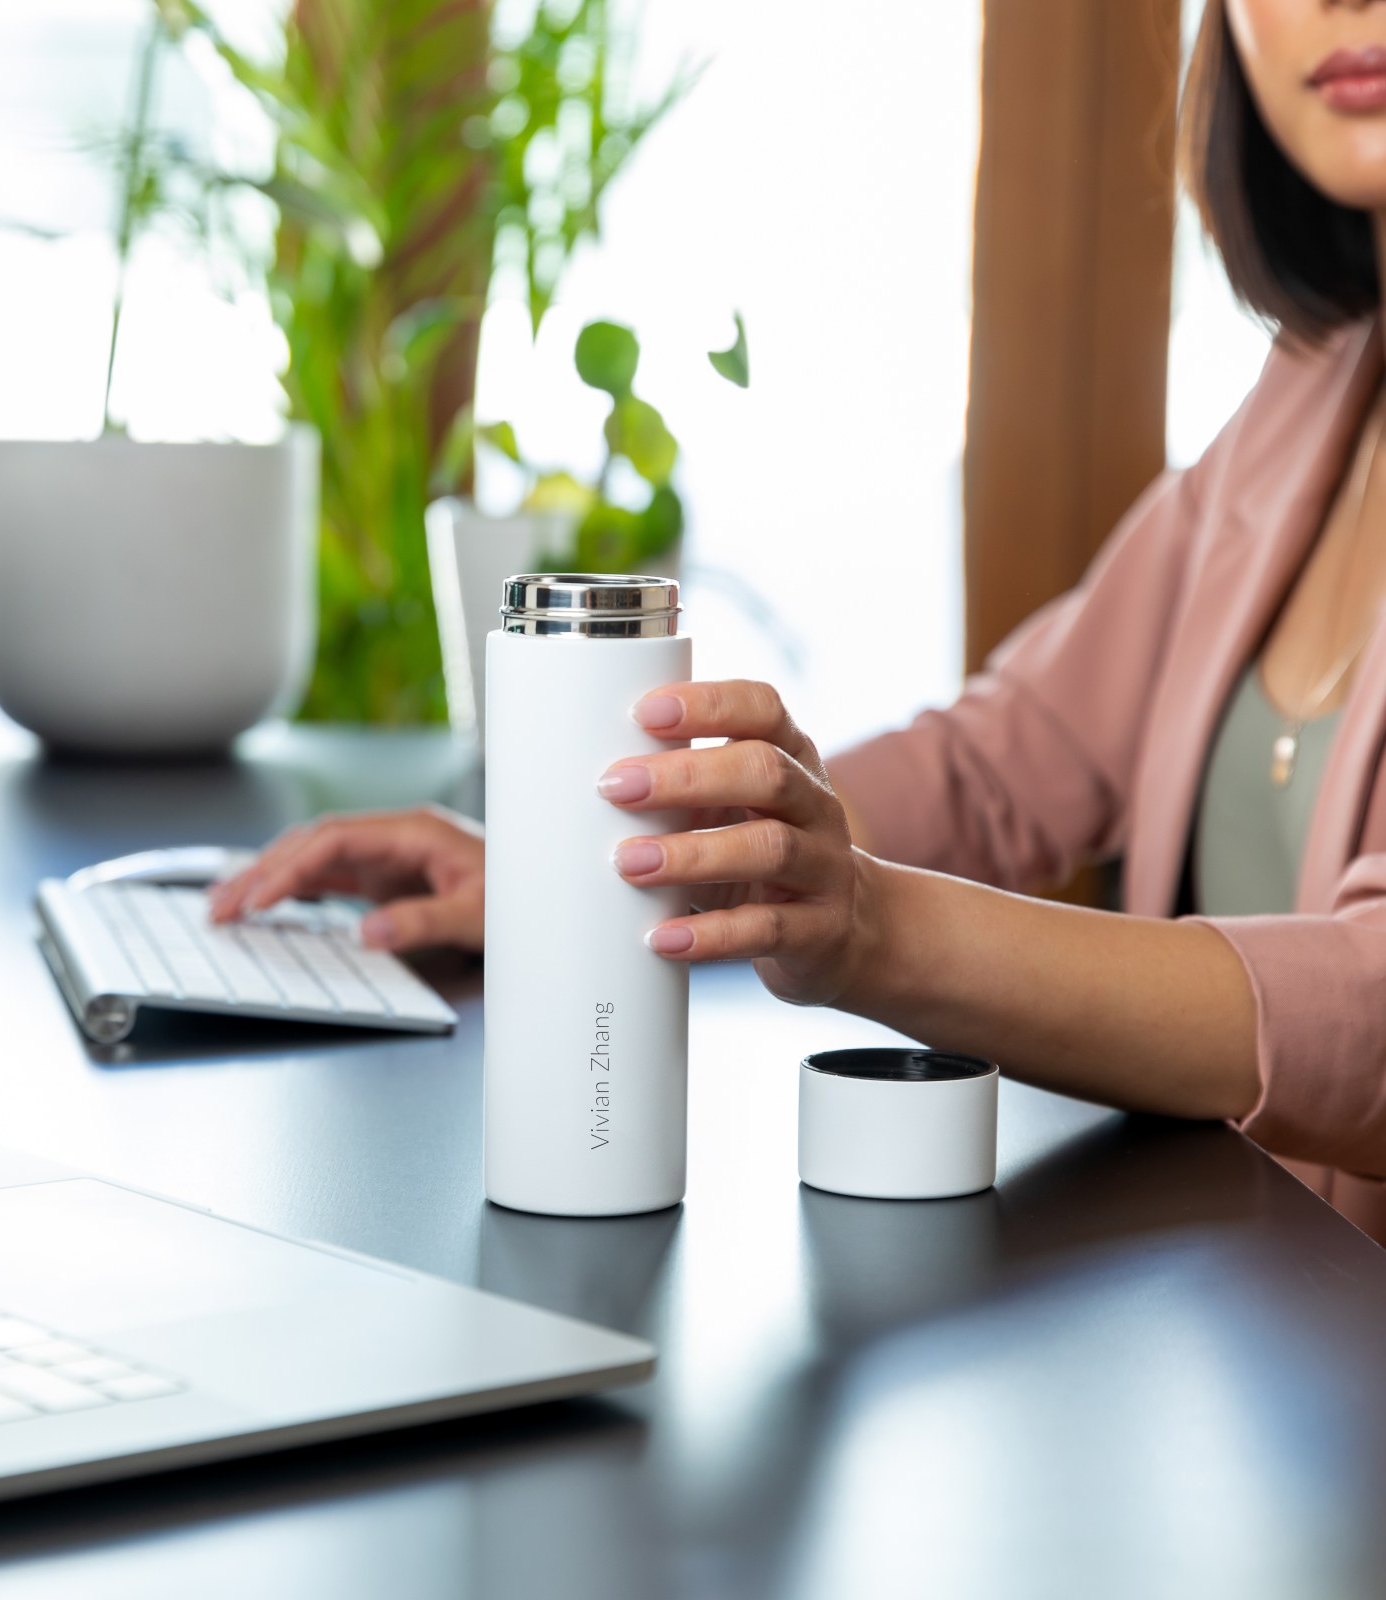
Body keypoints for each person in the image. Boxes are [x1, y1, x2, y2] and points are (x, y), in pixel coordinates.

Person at [213, 0, 1386, 1241]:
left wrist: (872, 929)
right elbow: (1003, 762)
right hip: (1246, 1334)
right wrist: (600, 877)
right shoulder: (1314, 387)